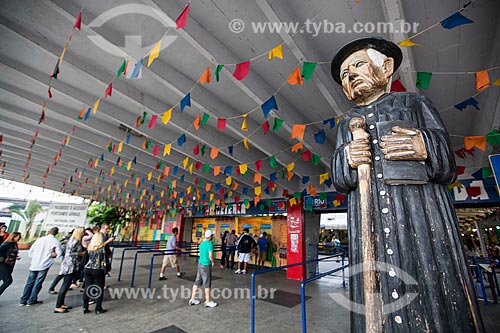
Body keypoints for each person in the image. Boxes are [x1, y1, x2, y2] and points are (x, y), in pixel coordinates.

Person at [330, 37, 484, 332]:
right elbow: (339, 177)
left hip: (419, 218)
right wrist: (347, 157)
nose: (349, 75)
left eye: (358, 64)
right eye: (344, 75)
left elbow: (447, 163)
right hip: (368, 226)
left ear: (386, 67)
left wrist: (424, 144)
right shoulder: (346, 122)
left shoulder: (415, 103)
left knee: (432, 288)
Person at [19, 227, 62, 306]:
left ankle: (23, 300)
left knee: (29, 282)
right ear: (56, 233)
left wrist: (35, 257)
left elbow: (31, 251)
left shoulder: (39, 240)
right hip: (45, 264)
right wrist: (52, 255)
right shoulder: (55, 241)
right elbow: (59, 254)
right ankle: (31, 300)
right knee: (38, 283)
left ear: (48, 231)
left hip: (34, 263)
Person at [54, 227, 85, 313]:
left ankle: (61, 303)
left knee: (66, 284)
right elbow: (70, 253)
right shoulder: (75, 241)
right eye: (83, 231)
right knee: (65, 284)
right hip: (69, 265)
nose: (84, 233)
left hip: (70, 264)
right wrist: (80, 253)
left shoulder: (73, 240)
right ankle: (58, 306)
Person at [188, 230, 217, 308]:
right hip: (206, 264)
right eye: (212, 235)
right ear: (210, 236)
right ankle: (207, 301)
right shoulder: (209, 244)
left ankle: (192, 299)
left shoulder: (202, 244)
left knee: (197, 281)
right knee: (207, 282)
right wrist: (213, 261)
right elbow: (210, 255)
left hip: (200, 264)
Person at [83, 232, 108, 314]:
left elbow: (85, 259)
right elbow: (107, 257)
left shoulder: (89, 247)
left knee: (87, 288)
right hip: (98, 270)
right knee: (99, 289)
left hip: (87, 269)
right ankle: (98, 307)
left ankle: (85, 307)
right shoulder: (103, 248)